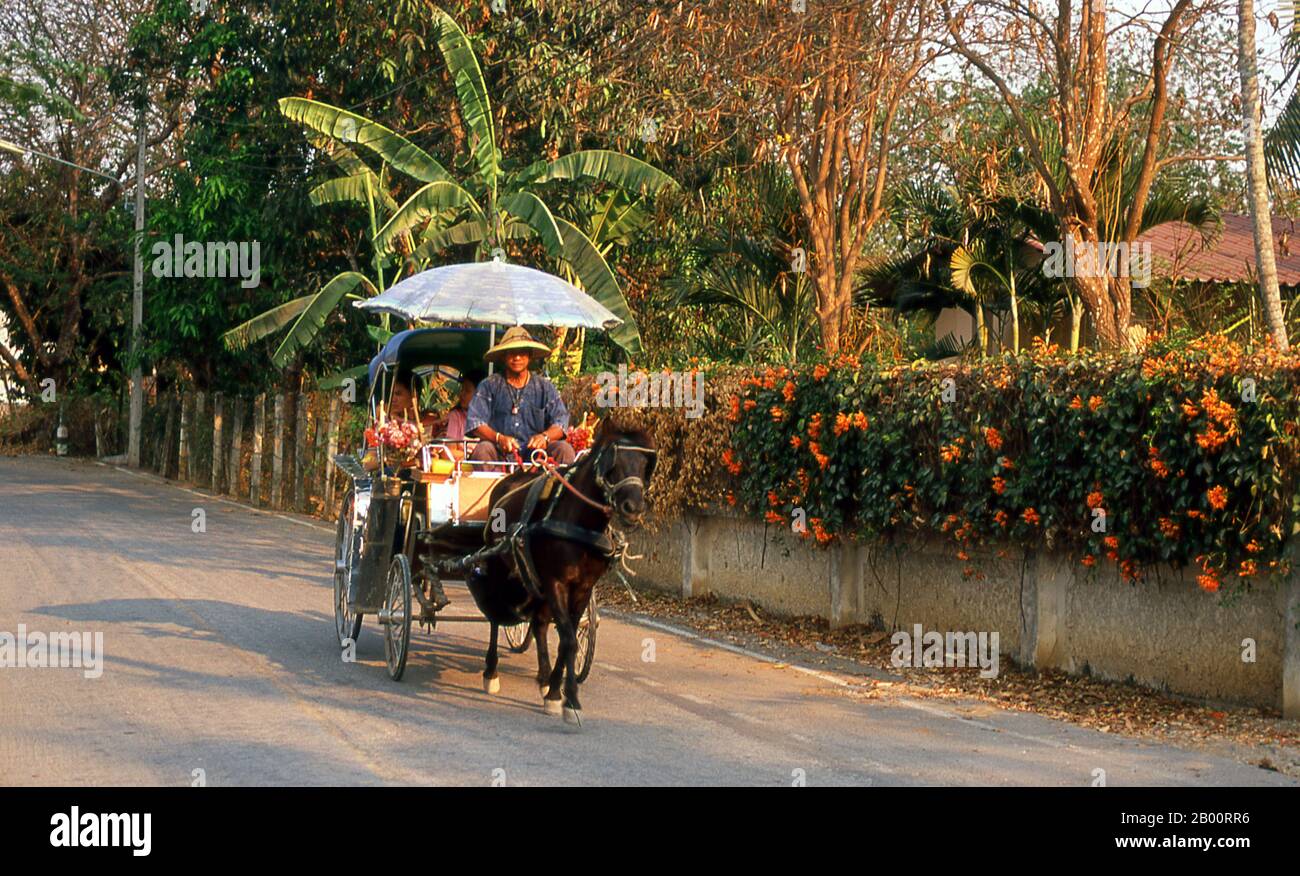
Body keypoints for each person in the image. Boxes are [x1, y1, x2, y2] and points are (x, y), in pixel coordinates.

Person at [466, 327, 575, 466]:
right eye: (512, 353)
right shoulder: (489, 385)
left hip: (536, 457)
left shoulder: (544, 387)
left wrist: (545, 437)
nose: (517, 358)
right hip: (498, 454)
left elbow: (561, 422)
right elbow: (476, 422)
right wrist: (499, 438)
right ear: (504, 356)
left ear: (529, 355)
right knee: (483, 449)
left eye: (522, 353)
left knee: (564, 449)